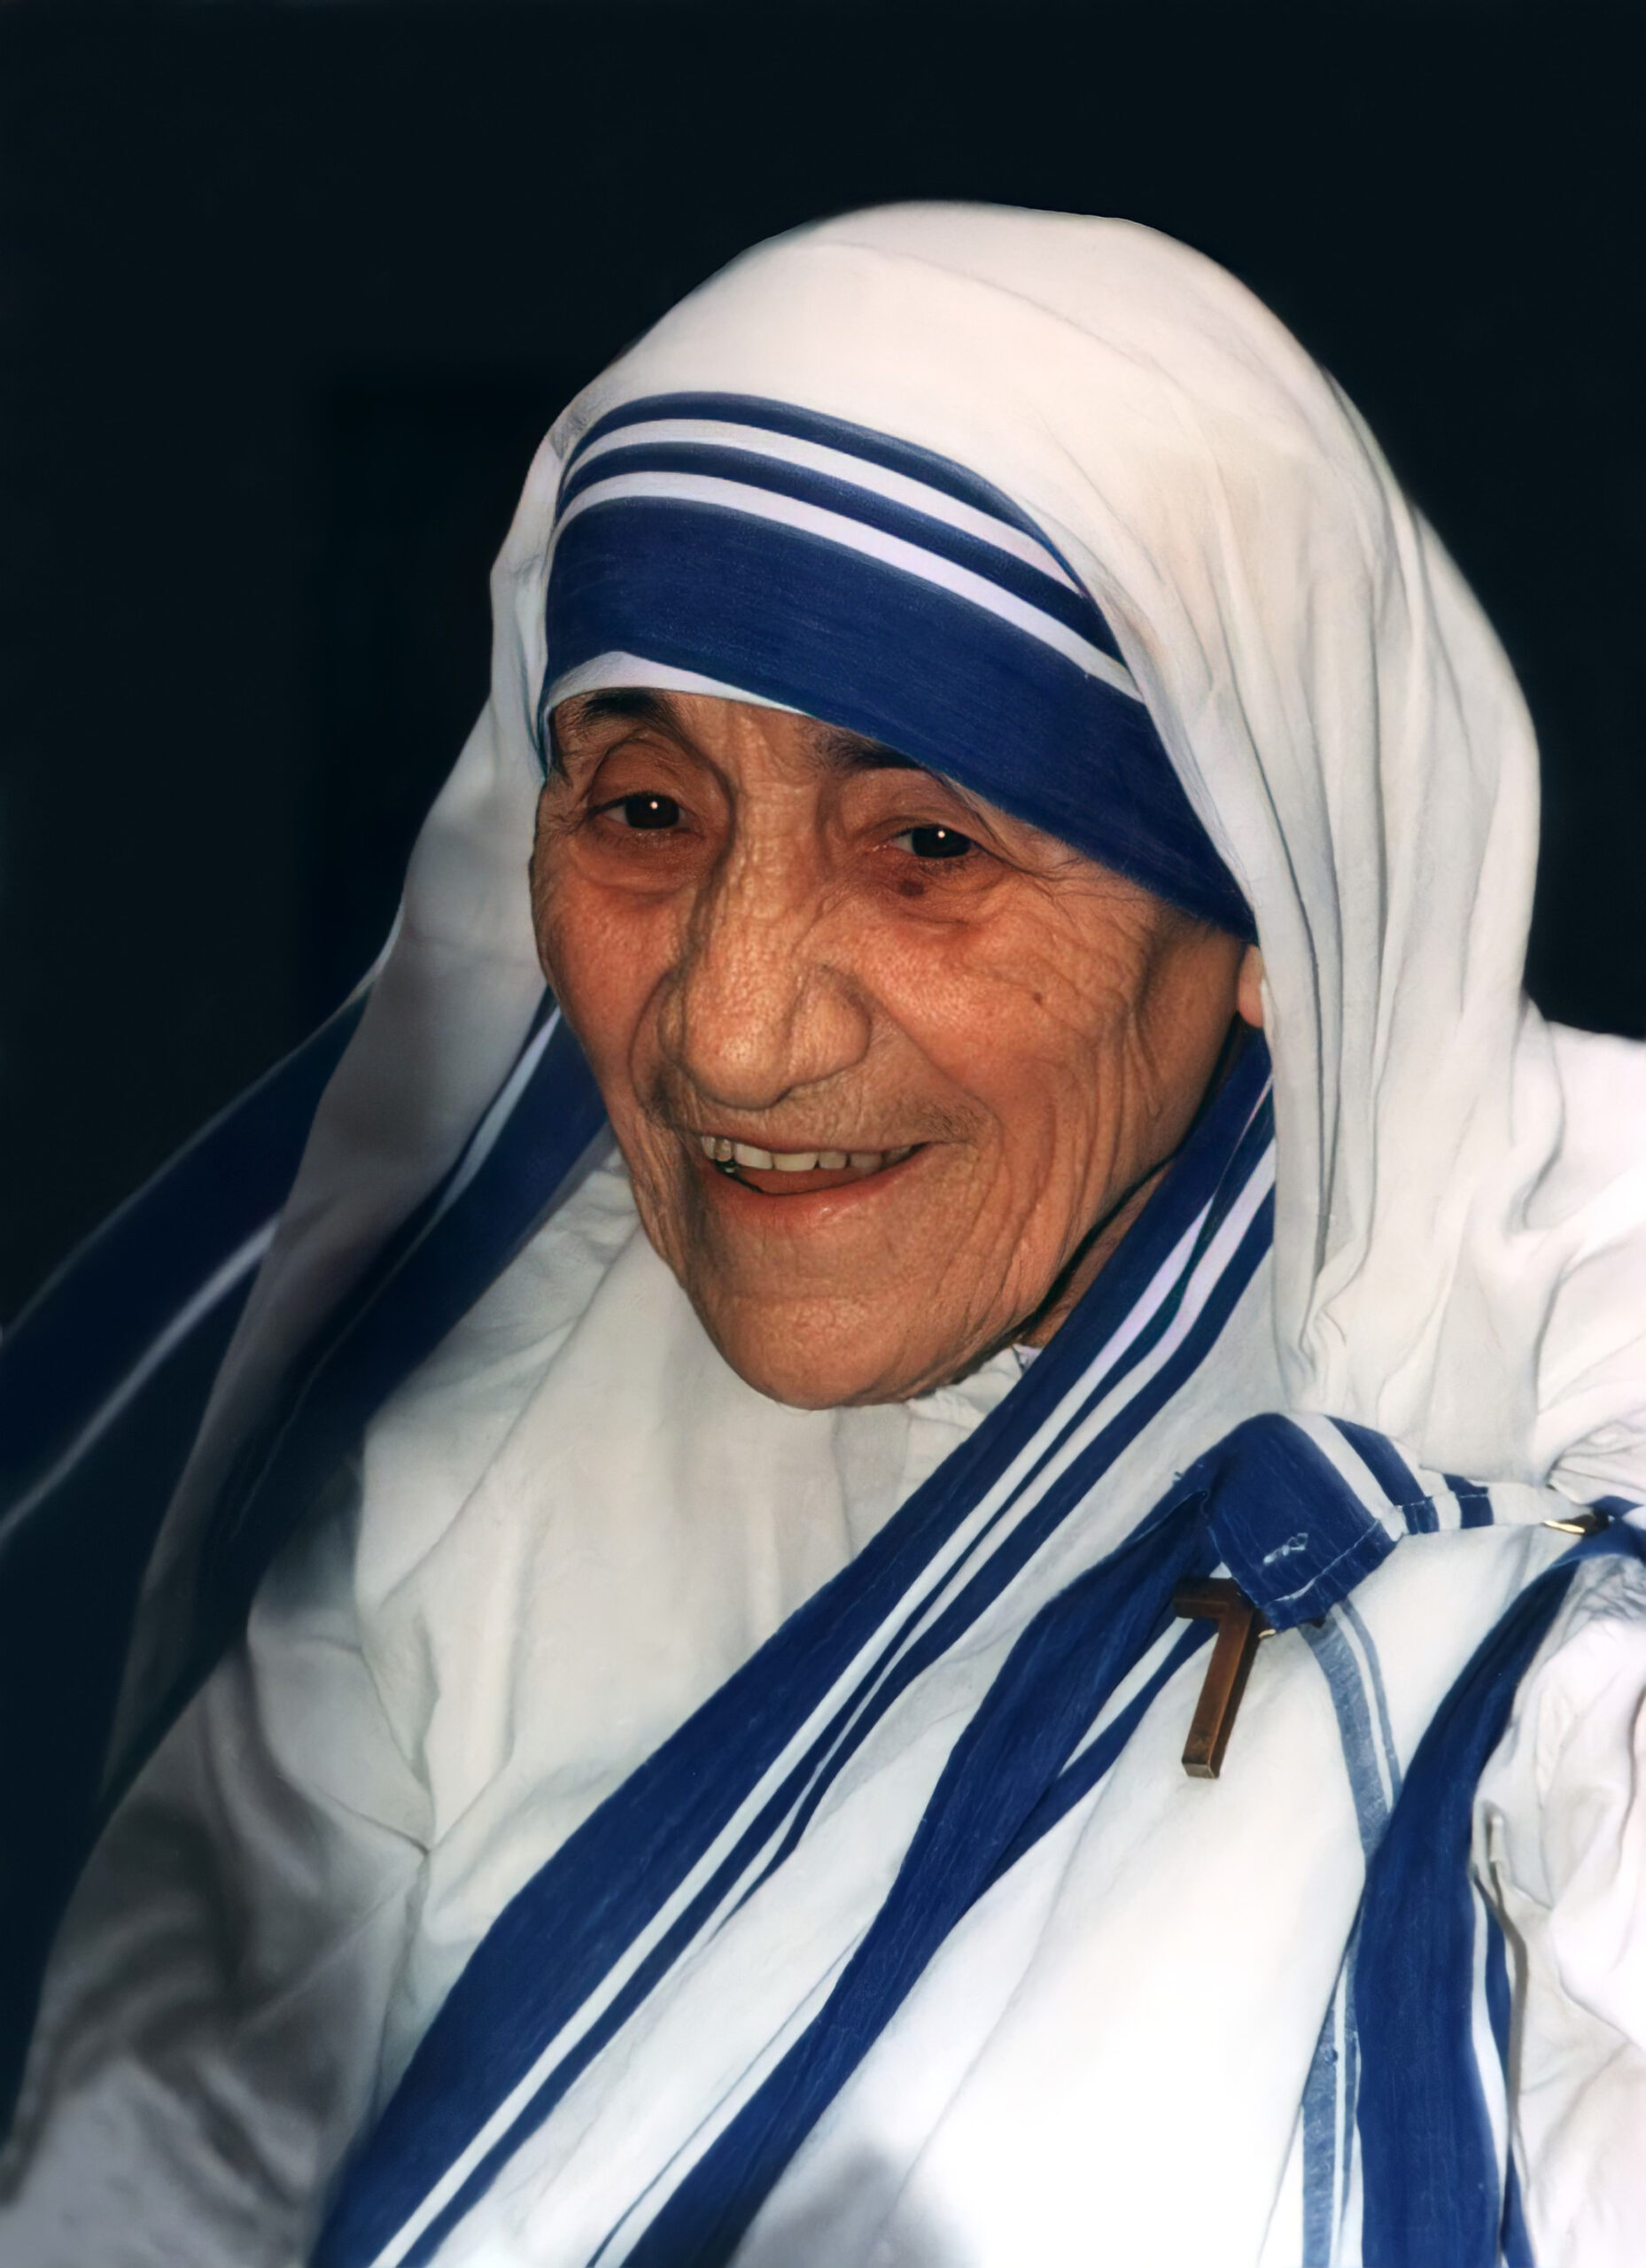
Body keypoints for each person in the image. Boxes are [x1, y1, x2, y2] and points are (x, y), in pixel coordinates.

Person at [1, 203, 1643, 2268]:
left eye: (928, 845)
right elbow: (151, 2155)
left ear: (1273, 901)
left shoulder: (1594, 1359)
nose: (728, 1028)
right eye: (641, 815)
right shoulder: (468, 1456)